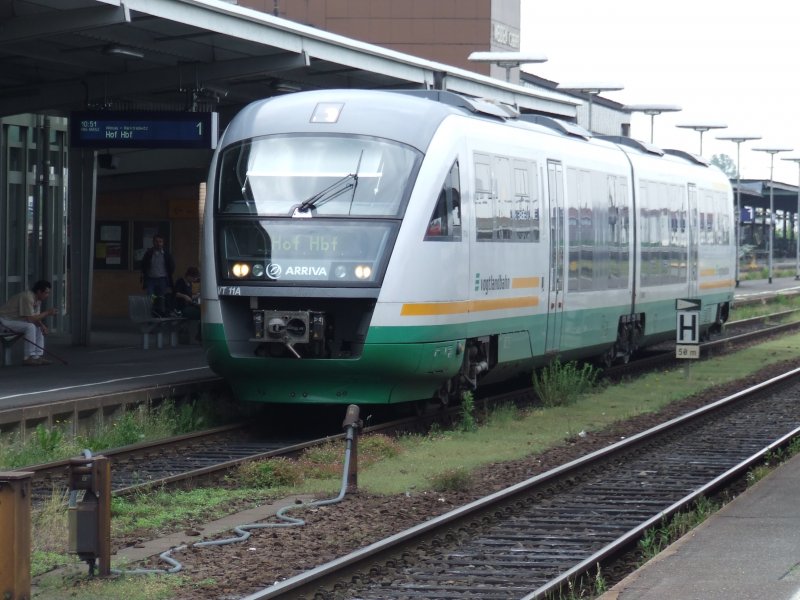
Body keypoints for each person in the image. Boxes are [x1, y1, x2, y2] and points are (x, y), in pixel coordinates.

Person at [0, 280, 57, 366]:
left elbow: (35, 317)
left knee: (38, 327)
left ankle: (37, 356)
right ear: (39, 291)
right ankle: (28, 357)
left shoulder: (37, 299)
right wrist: (47, 313)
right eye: (46, 293)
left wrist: (42, 326)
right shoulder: (27, 297)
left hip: (14, 321)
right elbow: (30, 319)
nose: (47, 296)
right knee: (30, 326)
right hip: (4, 321)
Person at [140, 233, 175, 316]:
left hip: (162, 279)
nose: (158, 243)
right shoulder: (149, 253)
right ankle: (150, 315)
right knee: (150, 298)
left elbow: (172, 266)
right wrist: (143, 274)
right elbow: (143, 264)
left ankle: (161, 316)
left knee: (161, 298)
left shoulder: (166, 254)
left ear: (163, 243)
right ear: (153, 242)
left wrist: (168, 275)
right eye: (156, 241)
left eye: (160, 241)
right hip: (151, 280)